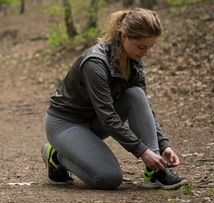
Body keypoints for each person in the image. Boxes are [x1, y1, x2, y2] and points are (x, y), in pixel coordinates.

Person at [41, 8, 188, 190]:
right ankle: (56, 154)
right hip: (66, 124)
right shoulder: (95, 63)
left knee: (136, 94)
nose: (146, 53)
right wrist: (142, 151)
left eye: (151, 47)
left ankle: (155, 172)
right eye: (142, 47)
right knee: (109, 178)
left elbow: (144, 108)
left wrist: (162, 146)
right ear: (124, 36)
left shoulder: (134, 61)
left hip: (95, 122)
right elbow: (108, 117)